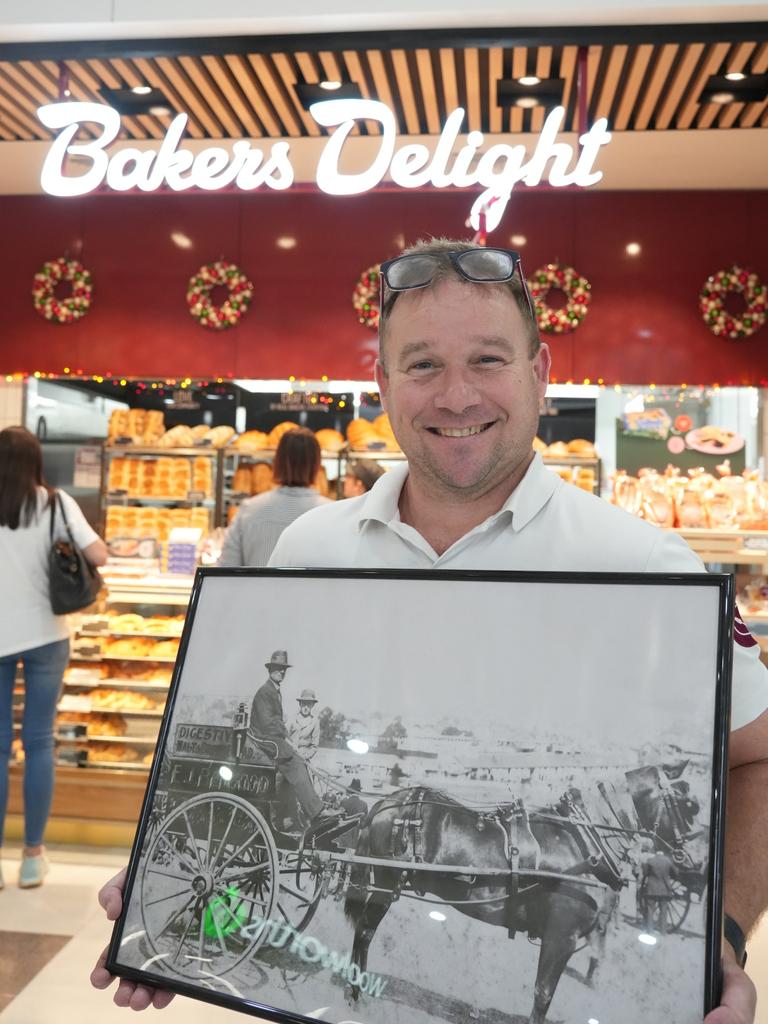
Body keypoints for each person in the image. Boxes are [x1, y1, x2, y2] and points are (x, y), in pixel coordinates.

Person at [91, 239, 768, 1021]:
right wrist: (165, 903)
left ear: (540, 373)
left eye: (487, 359)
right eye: (421, 365)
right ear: (381, 383)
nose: (455, 395)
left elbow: (759, 758)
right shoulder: (308, 551)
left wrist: (720, 937)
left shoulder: (649, 566)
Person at [0, 426, 107, 890]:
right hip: (47, 634)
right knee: (39, 741)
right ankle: (31, 856)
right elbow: (98, 553)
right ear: (36, 462)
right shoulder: (56, 503)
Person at [218, 427, 330, 565]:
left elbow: (226, 569)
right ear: (317, 465)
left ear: (277, 462)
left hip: (256, 587)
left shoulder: (249, 510)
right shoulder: (331, 513)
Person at [247, 650, 326, 825]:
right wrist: (286, 738)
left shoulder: (273, 691)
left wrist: (285, 737)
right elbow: (268, 723)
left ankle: (296, 815)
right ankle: (314, 811)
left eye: (284, 669)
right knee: (296, 762)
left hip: (271, 737)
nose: (281, 672)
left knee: (298, 761)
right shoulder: (265, 692)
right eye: (277, 668)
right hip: (264, 739)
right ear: (270, 670)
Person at [643, 848, 679, 935]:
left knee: (650, 910)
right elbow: (676, 873)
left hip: (651, 890)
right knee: (663, 911)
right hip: (664, 890)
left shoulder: (650, 860)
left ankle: (650, 931)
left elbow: (645, 873)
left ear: (656, 852)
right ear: (663, 853)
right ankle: (663, 931)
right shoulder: (668, 861)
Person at [288, 688, 320, 762]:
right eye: (304, 703)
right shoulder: (292, 719)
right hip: (289, 755)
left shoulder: (315, 722)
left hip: (303, 758)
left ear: (313, 705)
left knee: (306, 773)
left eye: (309, 704)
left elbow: (314, 746)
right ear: (300, 704)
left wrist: (305, 756)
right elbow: (284, 737)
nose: (306, 707)